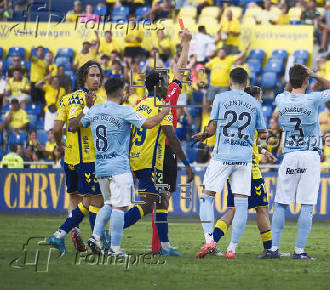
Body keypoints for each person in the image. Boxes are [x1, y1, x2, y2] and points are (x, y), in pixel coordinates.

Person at [77, 77, 171, 257]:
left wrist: (86, 108)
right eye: (125, 89)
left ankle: (96, 236)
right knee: (120, 208)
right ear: (121, 92)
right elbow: (149, 123)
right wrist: (163, 112)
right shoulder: (125, 111)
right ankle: (115, 248)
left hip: (101, 166)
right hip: (119, 167)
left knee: (109, 204)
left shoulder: (95, 110)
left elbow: (80, 124)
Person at [122, 29, 194, 257]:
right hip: (161, 154)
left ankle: (162, 246)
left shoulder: (140, 103)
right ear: (158, 86)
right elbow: (180, 73)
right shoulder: (165, 101)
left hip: (142, 155)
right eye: (165, 80)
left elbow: (180, 71)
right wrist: (186, 44)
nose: (168, 82)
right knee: (154, 201)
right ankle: (113, 232)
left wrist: (185, 43)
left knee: (161, 200)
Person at [263, 64, 330, 259]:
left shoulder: (281, 99)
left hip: (289, 156)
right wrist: (313, 74)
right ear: (306, 81)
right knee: (307, 204)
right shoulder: (313, 99)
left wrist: (297, 76)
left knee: (280, 203)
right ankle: (299, 251)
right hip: (309, 156)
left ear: (291, 80)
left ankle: (274, 249)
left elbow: (288, 89)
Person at [193, 67, 268, 259]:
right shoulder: (254, 103)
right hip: (244, 160)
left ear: (230, 81)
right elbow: (264, 133)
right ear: (246, 81)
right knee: (241, 205)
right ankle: (232, 249)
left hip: (222, 156)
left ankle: (210, 240)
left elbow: (212, 128)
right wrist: (262, 146)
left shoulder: (220, 98)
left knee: (207, 197)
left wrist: (204, 134)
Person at [209, 85, 277, 258]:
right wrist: (262, 149)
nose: (262, 100)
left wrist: (264, 151)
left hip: (232, 166)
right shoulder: (255, 112)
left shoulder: (238, 112)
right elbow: (260, 136)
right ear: (255, 98)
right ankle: (269, 249)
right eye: (260, 97)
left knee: (232, 210)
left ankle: (211, 242)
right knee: (262, 208)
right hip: (250, 170)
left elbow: (253, 142)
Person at [48, 61, 105, 255]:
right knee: (95, 200)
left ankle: (76, 233)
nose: (96, 79)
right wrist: (87, 108)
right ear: (83, 77)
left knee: (76, 198)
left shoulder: (65, 99)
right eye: (92, 76)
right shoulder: (83, 99)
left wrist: (59, 144)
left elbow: (57, 128)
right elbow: (72, 125)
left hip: (70, 158)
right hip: (87, 159)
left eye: (98, 76)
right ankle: (93, 240)